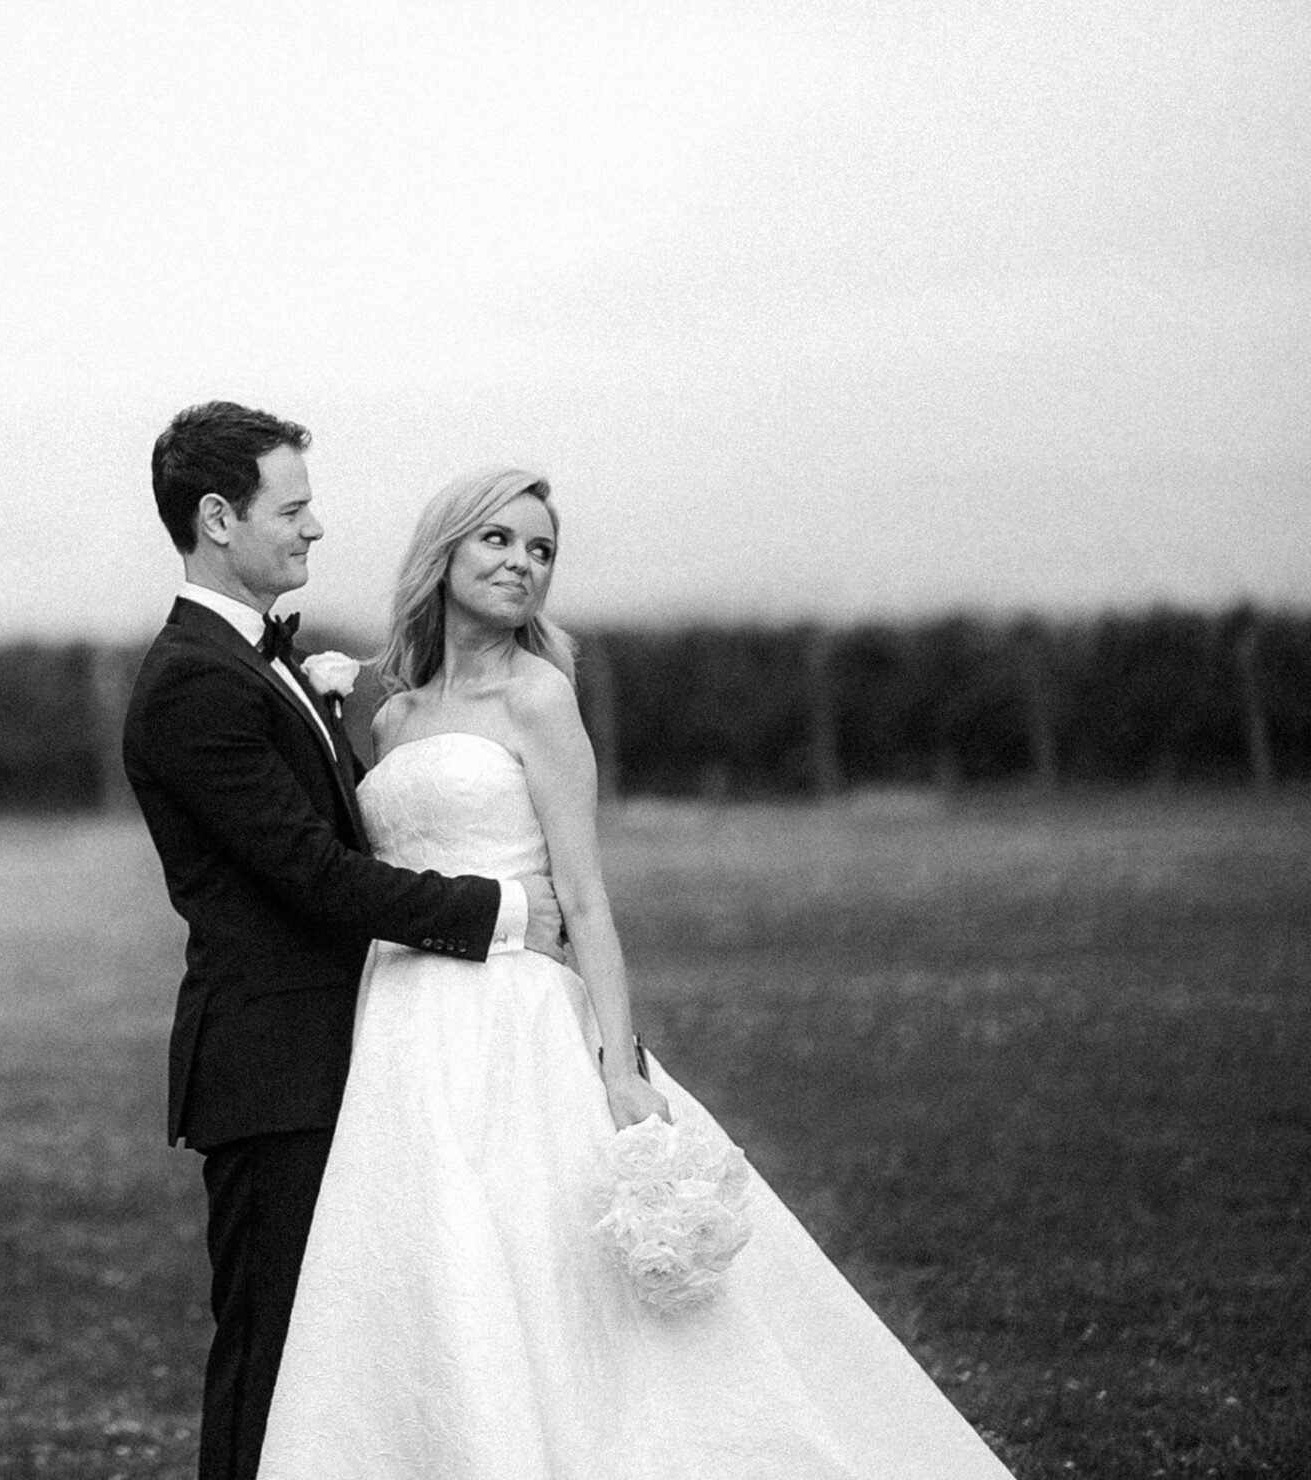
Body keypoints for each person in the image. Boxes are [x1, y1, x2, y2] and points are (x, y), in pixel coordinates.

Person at [256, 468, 1018, 1478]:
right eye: (499, 540)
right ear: (444, 552)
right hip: (399, 1022)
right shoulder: (390, 718)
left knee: (548, 1270)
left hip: (511, 1015)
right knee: (432, 1260)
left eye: (541, 550)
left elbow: (586, 896)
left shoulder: (540, 697)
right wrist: (342, 686)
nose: (523, 563)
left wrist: (620, 1066)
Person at [121, 405, 565, 1480]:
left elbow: (347, 818)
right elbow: (310, 876)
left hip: (353, 1055)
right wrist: (500, 912)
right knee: (271, 1360)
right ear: (218, 518)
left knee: (344, 1369)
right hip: (273, 1071)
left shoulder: (258, 663)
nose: (316, 528)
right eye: (295, 506)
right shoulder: (193, 681)